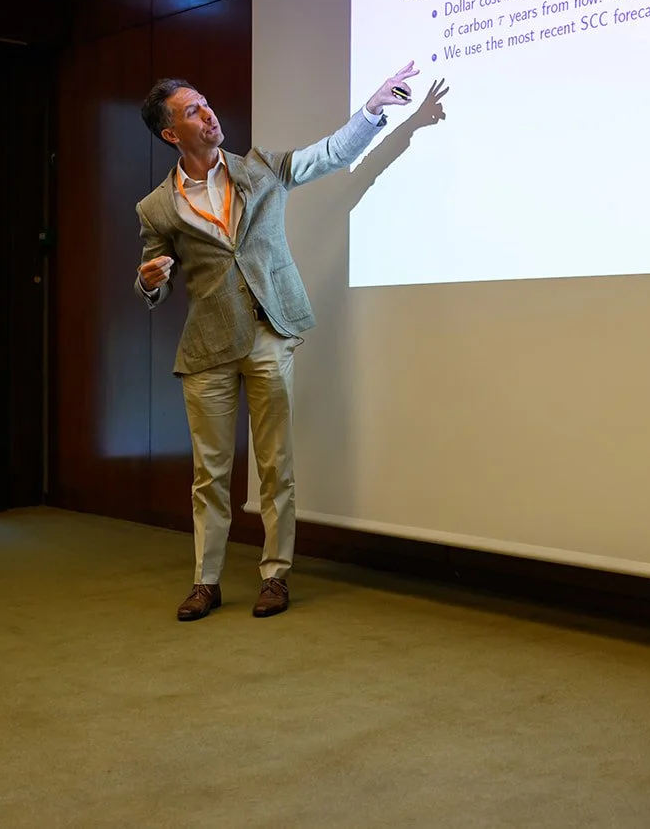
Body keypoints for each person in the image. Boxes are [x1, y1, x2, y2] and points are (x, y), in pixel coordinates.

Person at [134, 62, 445, 621]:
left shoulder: (260, 168)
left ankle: (275, 576)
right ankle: (206, 582)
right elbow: (152, 278)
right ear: (170, 133)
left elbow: (328, 155)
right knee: (209, 476)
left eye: (206, 103)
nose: (208, 114)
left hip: (268, 333)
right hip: (206, 350)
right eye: (192, 111)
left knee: (276, 464)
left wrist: (375, 110)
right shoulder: (157, 207)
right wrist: (149, 282)